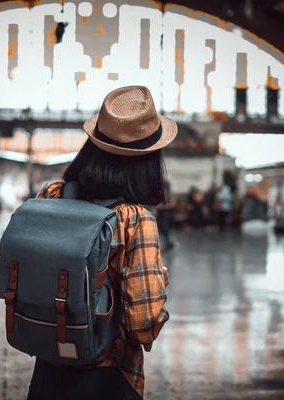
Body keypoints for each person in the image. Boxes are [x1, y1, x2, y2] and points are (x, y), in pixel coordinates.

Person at [28, 86, 173, 400]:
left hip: (48, 372)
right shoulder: (134, 220)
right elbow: (143, 323)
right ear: (149, 160)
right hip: (107, 378)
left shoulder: (51, 194)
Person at [156, 181, 177, 251]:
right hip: (161, 214)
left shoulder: (168, 194)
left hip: (167, 214)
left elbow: (172, 203)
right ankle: (168, 242)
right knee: (162, 228)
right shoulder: (161, 193)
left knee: (165, 228)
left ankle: (170, 242)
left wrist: (163, 207)